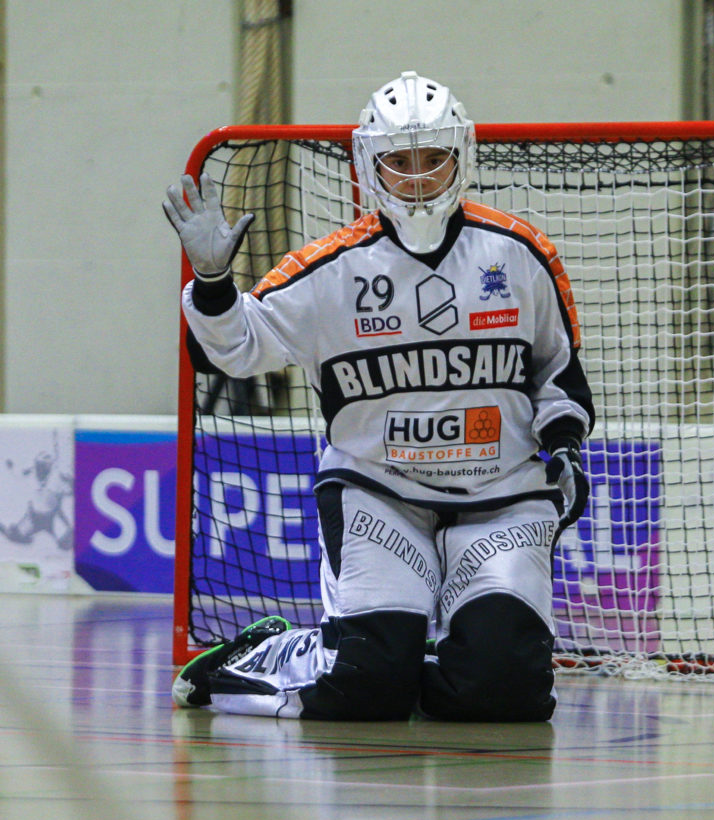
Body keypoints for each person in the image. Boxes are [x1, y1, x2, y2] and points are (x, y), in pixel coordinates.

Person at [164, 71, 594, 722]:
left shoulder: (521, 254)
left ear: (462, 156)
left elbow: (559, 372)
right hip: (379, 496)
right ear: (371, 165)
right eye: (400, 162)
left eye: (433, 159)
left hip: (501, 498)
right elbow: (229, 349)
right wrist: (215, 280)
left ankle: (421, 659)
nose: (417, 178)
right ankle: (266, 656)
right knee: (363, 688)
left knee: (506, 694)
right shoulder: (330, 269)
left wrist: (565, 450)